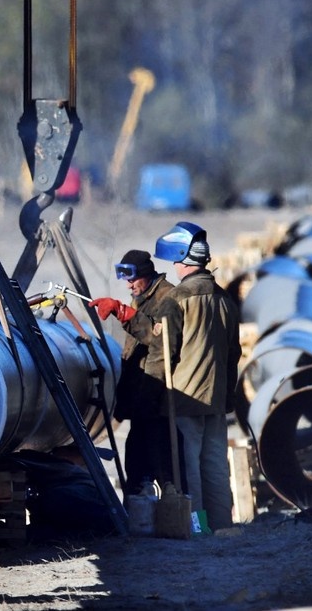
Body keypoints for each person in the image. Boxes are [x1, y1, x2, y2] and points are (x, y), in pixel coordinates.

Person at [154, 221, 240, 530]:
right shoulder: (225, 299)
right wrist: (226, 398)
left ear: (183, 259)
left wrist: (153, 396)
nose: (174, 267)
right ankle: (221, 527)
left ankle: (197, 528)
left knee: (188, 471)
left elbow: (163, 354)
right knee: (215, 468)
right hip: (216, 400)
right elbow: (234, 354)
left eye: (175, 261)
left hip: (184, 400)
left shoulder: (176, 299)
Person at [89, 249, 175, 496]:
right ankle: (140, 514)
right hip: (142, 401)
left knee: (167, 471)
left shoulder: (167, 298)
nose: (128, 285)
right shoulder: (142, 298)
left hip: (158, 400)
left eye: (133, 279)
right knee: (136, 466)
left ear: (146, 274)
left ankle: (184, 517)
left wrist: (125, 314)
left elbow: (161, 343)